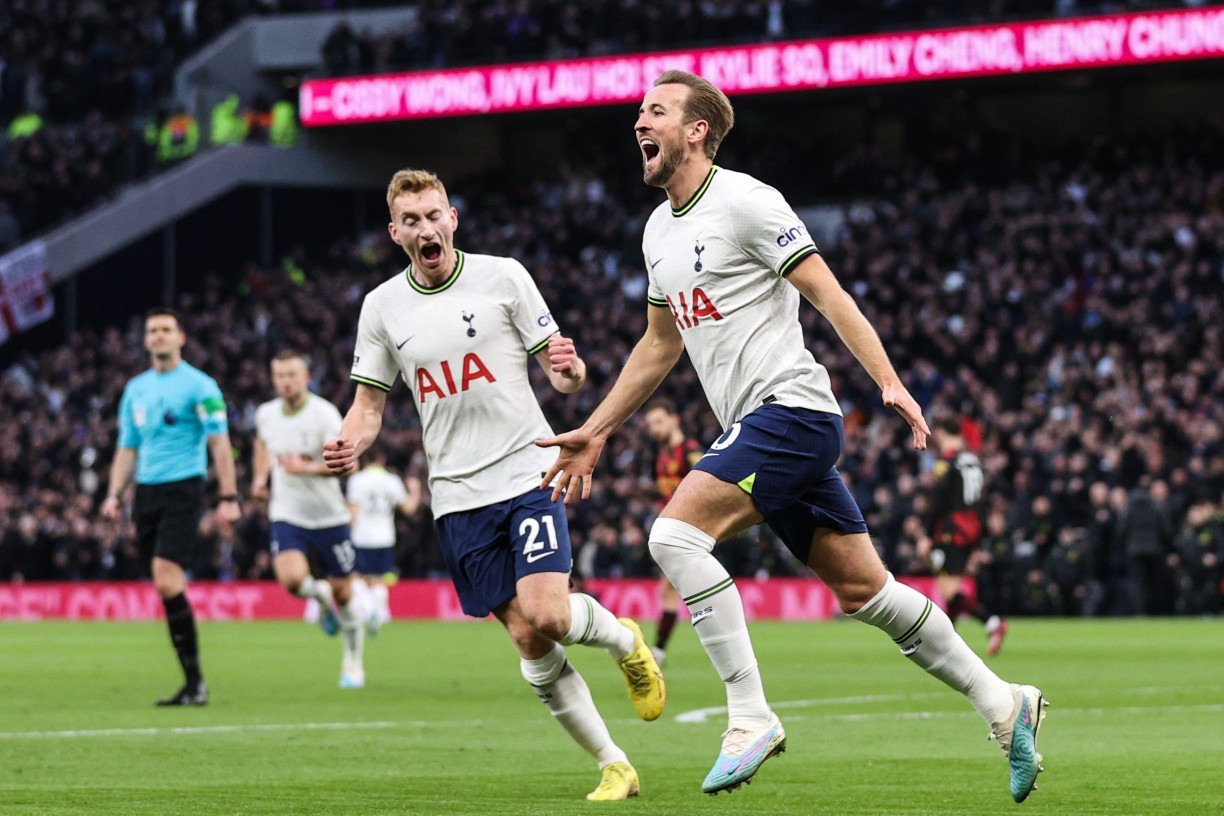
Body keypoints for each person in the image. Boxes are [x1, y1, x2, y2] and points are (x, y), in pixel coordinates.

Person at [538, 70, 1047, 800]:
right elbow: (659, 345)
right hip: (761, 426)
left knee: (673, 538)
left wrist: (889, 380)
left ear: (696, 130)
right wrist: (594, 429)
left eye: (655, 110)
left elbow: (826, 291)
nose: (638, 122)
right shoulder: (657, 231)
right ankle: (1005, 702)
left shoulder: (747, 201)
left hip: (792, 412)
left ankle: (749, 715)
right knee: (867, 591)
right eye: (638, 111)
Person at [323, 168, 665, 801]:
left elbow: (564, 377)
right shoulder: (382, 307)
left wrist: (572, 369)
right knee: (526, 637)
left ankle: (624, 640)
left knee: (548, 613)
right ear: (395, 232)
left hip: (526, 470)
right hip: (456, 496)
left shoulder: (502, 276)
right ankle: (614, 764)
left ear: (453, 219)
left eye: (435, 215)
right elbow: (368, 407)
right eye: (412, 220)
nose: (426, 228)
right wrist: (350, 441)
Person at [100, 307, 240, 706]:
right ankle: (193, 684)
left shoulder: (201, 386)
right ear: (146, 341)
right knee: (164, 583)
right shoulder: (136, 389)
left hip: (184, 487)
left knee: (165, 578)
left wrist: (228, 497)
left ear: (181, 337)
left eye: (166, 330)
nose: (159, 336)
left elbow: (219, 443)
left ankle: (195, 684)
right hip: (146, 492)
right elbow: (128, 447)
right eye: (152, 331)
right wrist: (114, 494)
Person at [251, 349, 370, 688]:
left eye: (292, 375)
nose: (285, 382)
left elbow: (351, 466)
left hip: (329, 516)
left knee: (345, 594)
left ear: (306, 377)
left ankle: (353, 662)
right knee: (291, 580)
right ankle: (320, 598)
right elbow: (263, 446)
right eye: (279, 376)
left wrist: (309, 469)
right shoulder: (266, 415)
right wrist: (260, 479)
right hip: (287, 514)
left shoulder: (324, 415)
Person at [918, 415, 1009, 654]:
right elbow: (980, 500)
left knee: (948, 588)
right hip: (971, 528)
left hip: (952, 530)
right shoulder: (973, 461)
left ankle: (993, 622)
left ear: (940, 433)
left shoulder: (946, 462)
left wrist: (927, 534)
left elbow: (937, 500)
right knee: (951, 587)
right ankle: (947, 641)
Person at [643, 398, 702, 666]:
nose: (654, 429)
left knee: (675, 589)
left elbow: (703, 489)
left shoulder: (689, 452)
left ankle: (659, 650)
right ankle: (660, 650)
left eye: (659, 421)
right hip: (673, 527)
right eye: (651, 424)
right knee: (669, 590)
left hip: (692, 528)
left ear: (674, 420)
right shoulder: (662, 455)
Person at [346, 444, 424, 632]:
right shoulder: (392, 480)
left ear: (365, 460)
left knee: (356, 577)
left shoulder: (357, 480)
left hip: (361, 536)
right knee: (379, 579)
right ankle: (380, 613)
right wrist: (416, 490)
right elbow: (409, 509)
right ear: (382, 460)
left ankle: (368, 610)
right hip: (385, 537)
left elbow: (352, 514)